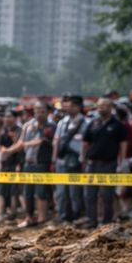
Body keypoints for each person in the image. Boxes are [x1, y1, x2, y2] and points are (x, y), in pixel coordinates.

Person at [3, 100, 54, 227]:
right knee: (27, 192)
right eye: (36, 110)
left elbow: (41, 141)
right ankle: (29, 217)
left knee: (41, 192)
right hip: (28, 162)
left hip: (42, 162)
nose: (39, 113)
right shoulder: (28, 125)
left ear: (47, 112)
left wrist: (25, 144)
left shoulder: (51, 126)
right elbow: (21, 142)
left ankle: (42, 218)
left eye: (42, 111)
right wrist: (8, 151)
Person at [81, 98, 128, 228]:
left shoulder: (117, 124)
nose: (101, 108)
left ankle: (106, 222)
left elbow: (123, 143)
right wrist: (83, 159)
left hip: (109, 163)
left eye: (105, 106)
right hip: (92, 163)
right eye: (100, 106)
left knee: (107, 195)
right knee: (89, 194)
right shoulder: (92, 123)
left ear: (110, 107)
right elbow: (85, 143)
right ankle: (91, 221)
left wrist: (122, 161)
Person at [53, 95, 87, 224]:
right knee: (61, 192)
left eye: (72, 105)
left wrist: (83, 159)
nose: (68, 108)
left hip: (76, 159)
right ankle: (64, 217)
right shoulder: (63, 122)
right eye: (67, 105)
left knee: (75, 192)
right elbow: (57, 141)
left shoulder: (85, 122)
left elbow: (85, 143)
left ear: (78, 107)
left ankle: (76, 217)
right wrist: (54, 159)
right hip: (62, 159)